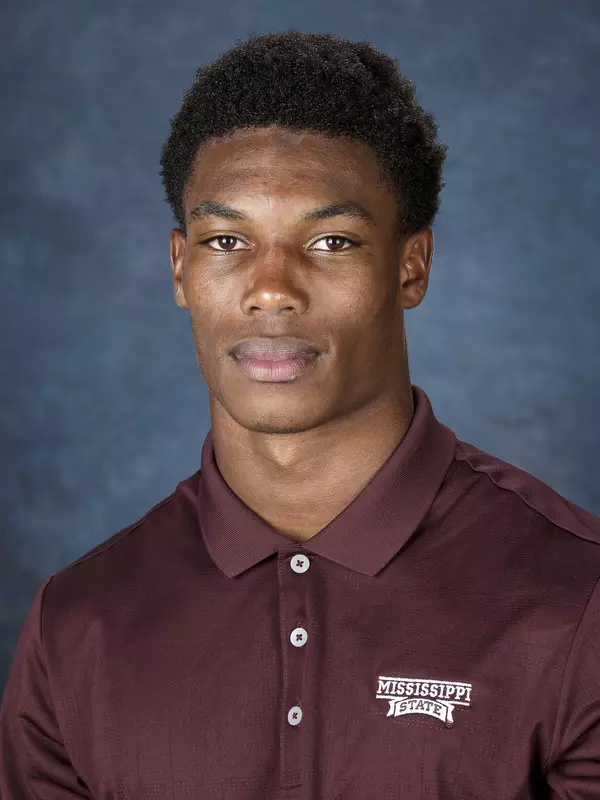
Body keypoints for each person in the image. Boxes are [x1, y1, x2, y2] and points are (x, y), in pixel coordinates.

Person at [1, 28, 599, 799]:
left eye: (330, 240)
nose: (272, 287)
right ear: (180, 268)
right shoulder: (77, 626)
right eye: (226, 239)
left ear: (410, 266)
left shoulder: (578, 600)